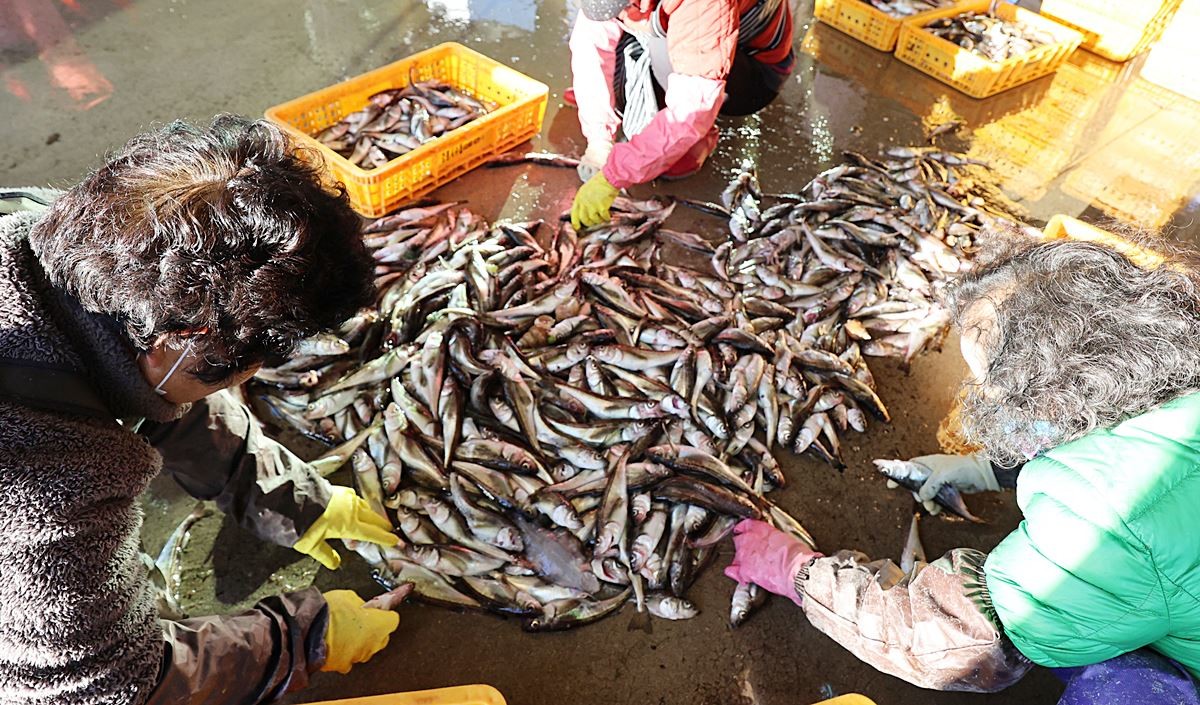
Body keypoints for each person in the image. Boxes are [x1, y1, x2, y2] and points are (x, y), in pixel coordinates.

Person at [0, 115, 405, 704]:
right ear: (181, 341)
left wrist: (289, 497)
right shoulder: (55, 486)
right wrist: (302, 640)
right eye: (255, 361)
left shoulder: (54, 240)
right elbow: (98, 684)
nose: (254, 374)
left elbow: (145, 385)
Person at [726, 233, 1200, 703]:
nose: (985, 398)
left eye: (990, 383)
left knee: (1124, 687)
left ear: (1049, 392)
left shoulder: (1109, 521)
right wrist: (989, 470)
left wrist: (798, 573)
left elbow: (958, 639)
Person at [568, 0, 794, 230]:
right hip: (679, 26)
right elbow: (591, 41)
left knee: (668, 153)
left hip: (753, 70)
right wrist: (599, 138)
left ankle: (702, 136)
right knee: (617, 83)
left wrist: (614, 176)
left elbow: (692, 108)